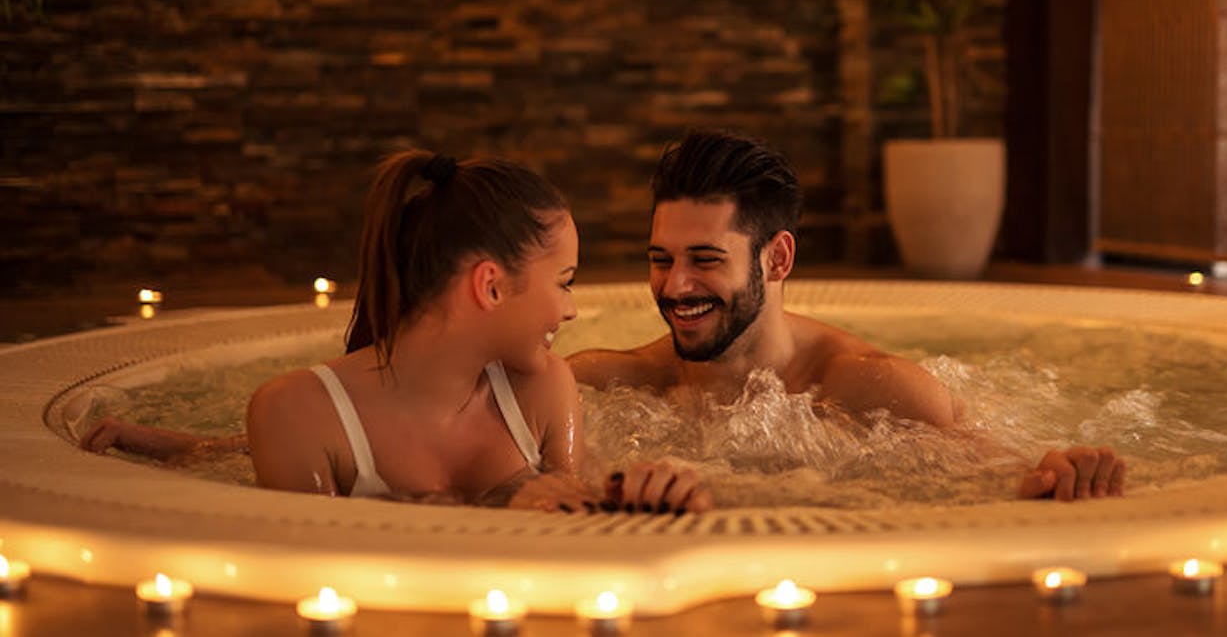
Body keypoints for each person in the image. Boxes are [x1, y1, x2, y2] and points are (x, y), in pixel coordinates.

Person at [85, 150, 711, 514]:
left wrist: (644, 495)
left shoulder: (544, 390)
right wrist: (497, 511)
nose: (572, 310)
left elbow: (574, 514)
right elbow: (320, 580)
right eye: (566, 281)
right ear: (490, 286)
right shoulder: (296, 413)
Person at [567, 129, 1126, 501]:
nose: (676, 285)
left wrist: (1061, 473)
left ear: (778, 258)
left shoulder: (872, 388)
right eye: (661, 260)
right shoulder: (611, 381)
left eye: (706, 260)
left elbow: (998, 475)